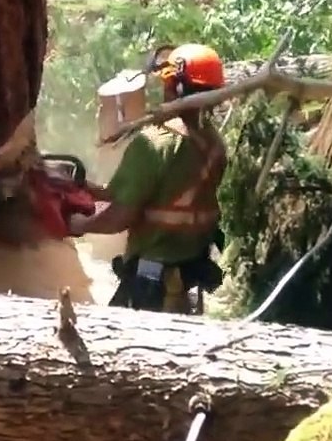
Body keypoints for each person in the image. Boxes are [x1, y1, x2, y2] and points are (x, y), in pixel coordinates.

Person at [68, 43, 228, 314]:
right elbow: (161, 194)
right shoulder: (214, 144)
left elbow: (120, 217)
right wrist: (87, 188)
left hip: (151, 284)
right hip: (189, 276)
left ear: (173, 87)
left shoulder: (156, 142)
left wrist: (78, 224)